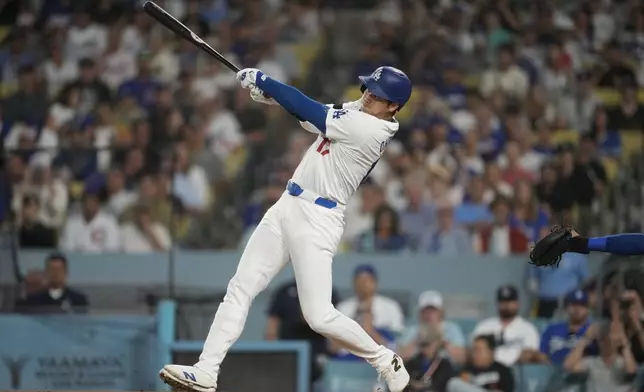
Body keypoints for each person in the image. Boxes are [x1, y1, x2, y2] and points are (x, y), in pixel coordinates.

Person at [160, 65, 413, 392]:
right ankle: (206, 370)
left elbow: (313, 111)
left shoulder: (372, 130)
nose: (367, 96)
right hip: (288, 203)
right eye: (368, 88)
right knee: (241, 287)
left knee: (319, 316)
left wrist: (267, 82)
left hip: (319, 218)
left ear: (393, 106)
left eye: (377, 95)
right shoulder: (363, 111)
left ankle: (385, 361)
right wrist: (272, 98)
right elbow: (311, 119)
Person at [472, 285, 544, 366]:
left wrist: (494, 356)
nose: (506, 305)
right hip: (488, 369)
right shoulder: (484, 326)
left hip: (517, 370)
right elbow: (476, 353)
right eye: (503, 302)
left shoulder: (528, 329)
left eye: (510, 301)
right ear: (497, 304)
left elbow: (529, 354)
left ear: (517, 303)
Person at [564, 321, 638, 392]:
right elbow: (568, 366)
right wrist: (585, 339)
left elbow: (631, 370)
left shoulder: (623, 361)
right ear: (598, 342)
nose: (606, 344)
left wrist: (624, 342)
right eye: (603, 340)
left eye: (610, 340)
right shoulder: (592, 362)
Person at [16, 253, 88, 314]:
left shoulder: (78, 300)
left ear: (66, 273)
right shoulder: (33, 301)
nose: (55, 274)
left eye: (59, 270)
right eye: (52, 270)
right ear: (46, 273)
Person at [540, 289, 597, 365]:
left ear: (588, 309)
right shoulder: (552, 329)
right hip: (553, 371)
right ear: (567, 307)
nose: (577, 309)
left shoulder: (592, 331)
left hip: (581, 373)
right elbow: (542, 354)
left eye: (582, 305)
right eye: (574, 304)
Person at [449, 335, 514, 392]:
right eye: (474, 350)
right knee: (453, 383)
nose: (475, 353)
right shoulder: (466, 370)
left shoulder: (503, 370)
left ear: (490, 352)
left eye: (478, 350)